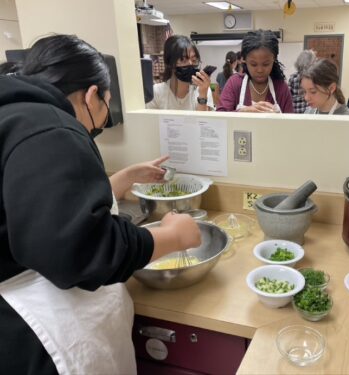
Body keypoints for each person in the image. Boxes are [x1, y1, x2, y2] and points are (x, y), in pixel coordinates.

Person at [0, 34, 201, 374]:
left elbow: (34, 209)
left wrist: (121, 180)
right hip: (35, 335)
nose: (102, 123)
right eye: (106, 107)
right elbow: (81, 249)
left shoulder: (15, 117)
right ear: (92, 96)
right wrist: (172, 237)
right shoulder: (50, 129)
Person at [217, 29, 294, 113]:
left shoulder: (281, 88)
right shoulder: (235, 83)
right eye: (253, 64)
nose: (260, 70)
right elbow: (221, 120)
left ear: (274, 59)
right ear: (244, 60)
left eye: (266, 64)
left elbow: (291, 123)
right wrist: (242, 112)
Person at [146, 35, 214, 111]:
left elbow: (203, 121)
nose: (190, 64)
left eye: (194, 60)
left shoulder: (203, 90)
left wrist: (203, 94)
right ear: (170, 64)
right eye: (183, 60)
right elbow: (150, 121)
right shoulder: (156, 92)